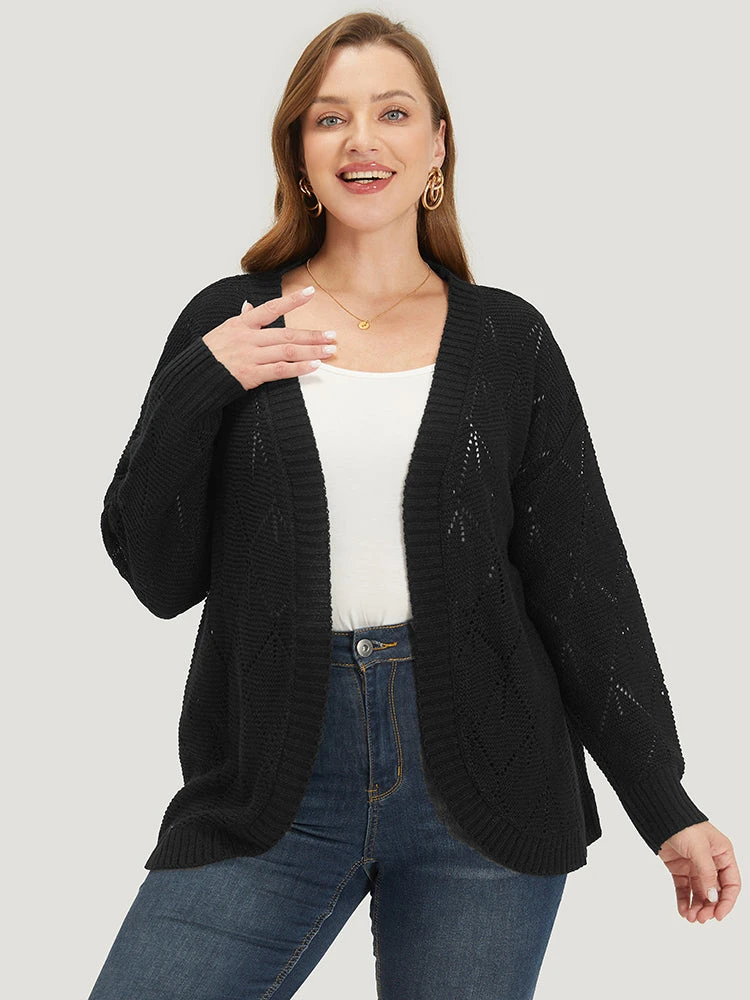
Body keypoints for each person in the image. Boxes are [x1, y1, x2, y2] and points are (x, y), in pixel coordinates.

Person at [88, 11, 741, 1000]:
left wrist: (665, 803)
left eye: (393, 112)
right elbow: (157, 575)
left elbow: (581, 584)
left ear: (437, 146)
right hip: (269, 784)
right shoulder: (233, 319)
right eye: (329, 118)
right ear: (298, 154)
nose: (362, 140)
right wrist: (200, 383)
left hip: (485, 782)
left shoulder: (509, 340)